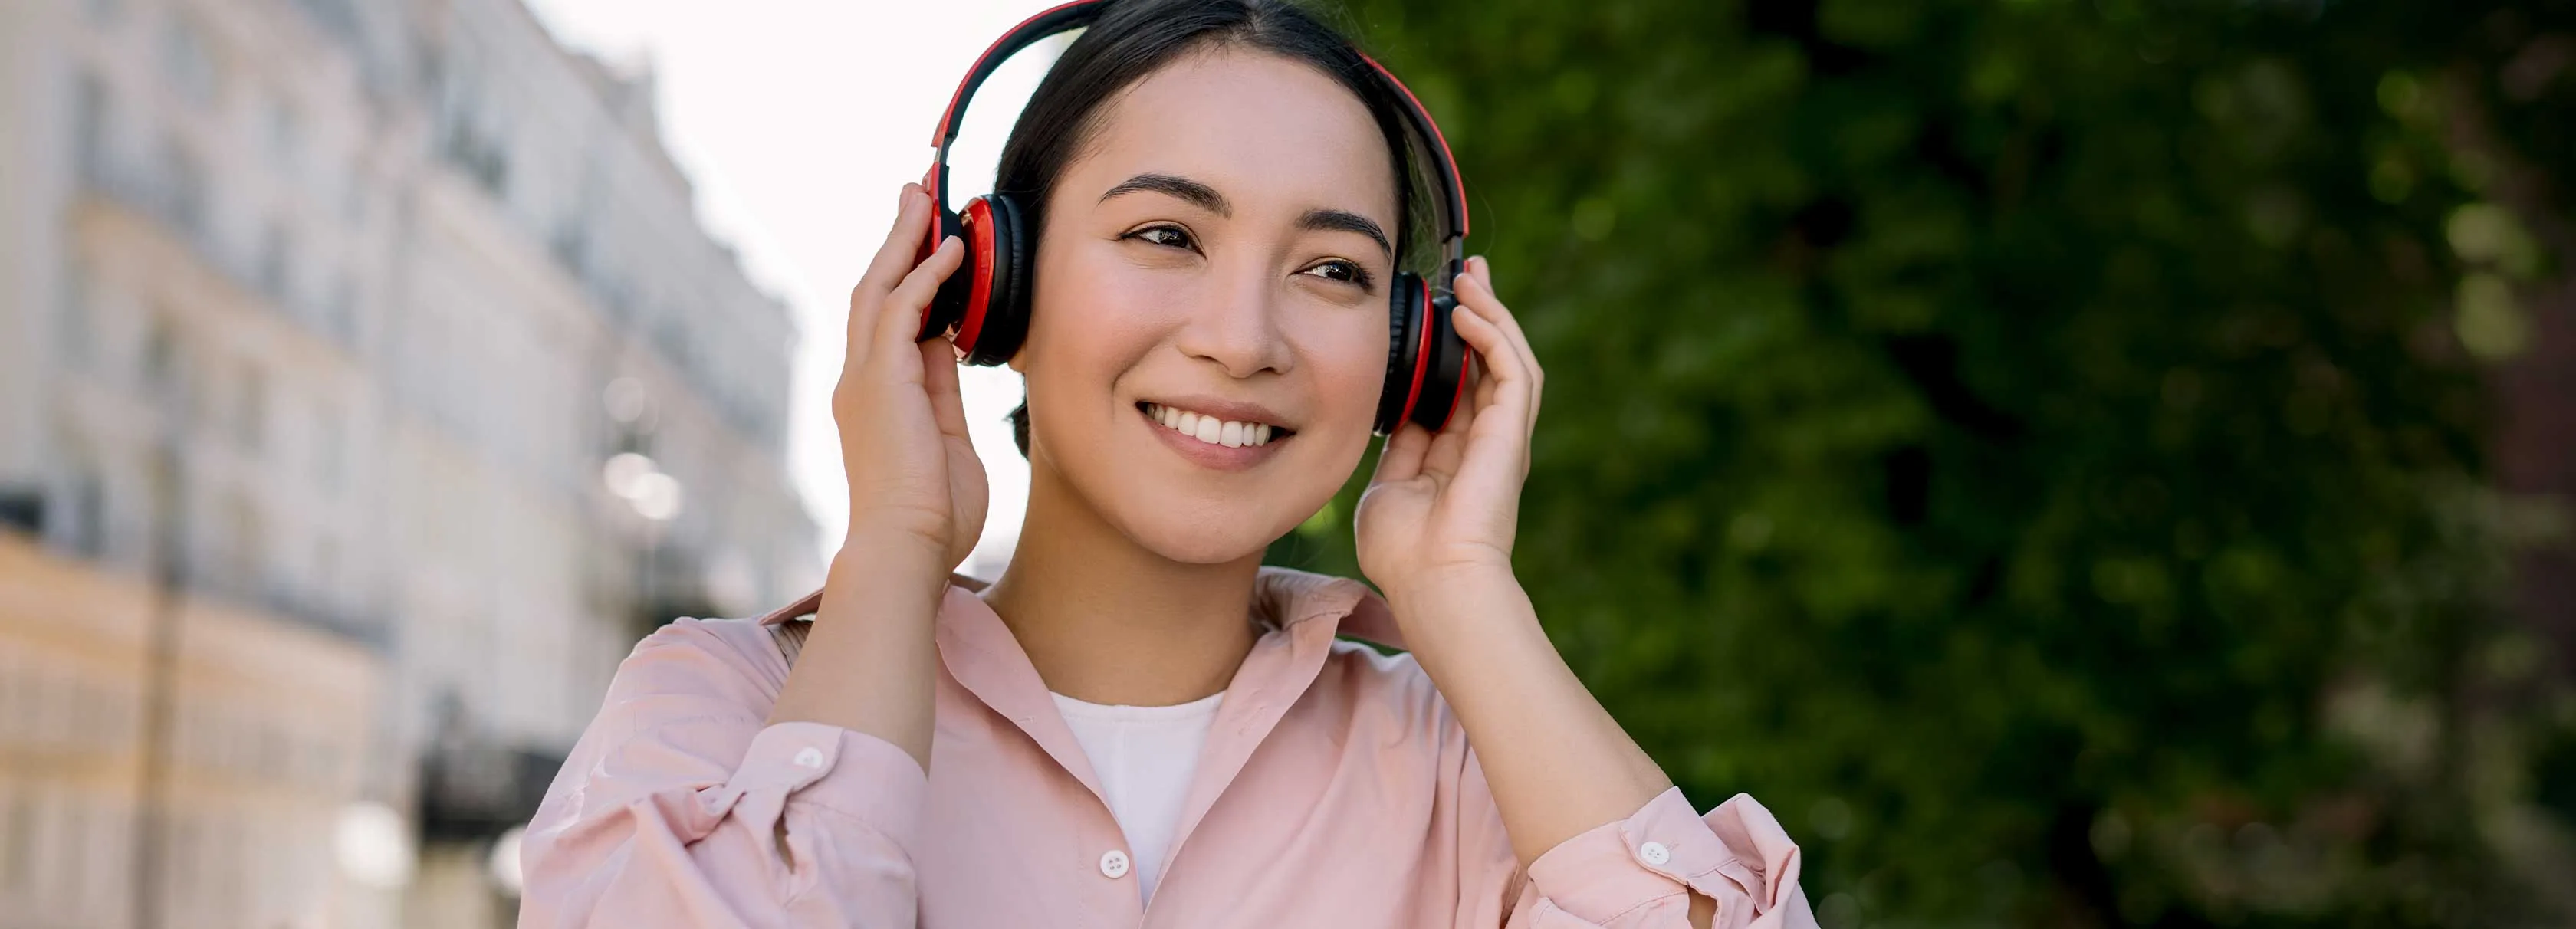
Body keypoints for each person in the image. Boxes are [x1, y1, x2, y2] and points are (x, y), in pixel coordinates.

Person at [517, 2, 1816, 926]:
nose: (1242, 339)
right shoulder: (719, 717)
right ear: (985, 288)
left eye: (1333, 270)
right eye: (1164, 234)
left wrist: (1464, 586)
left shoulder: (1476, 771)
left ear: (1413, 351)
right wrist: (897, 550)